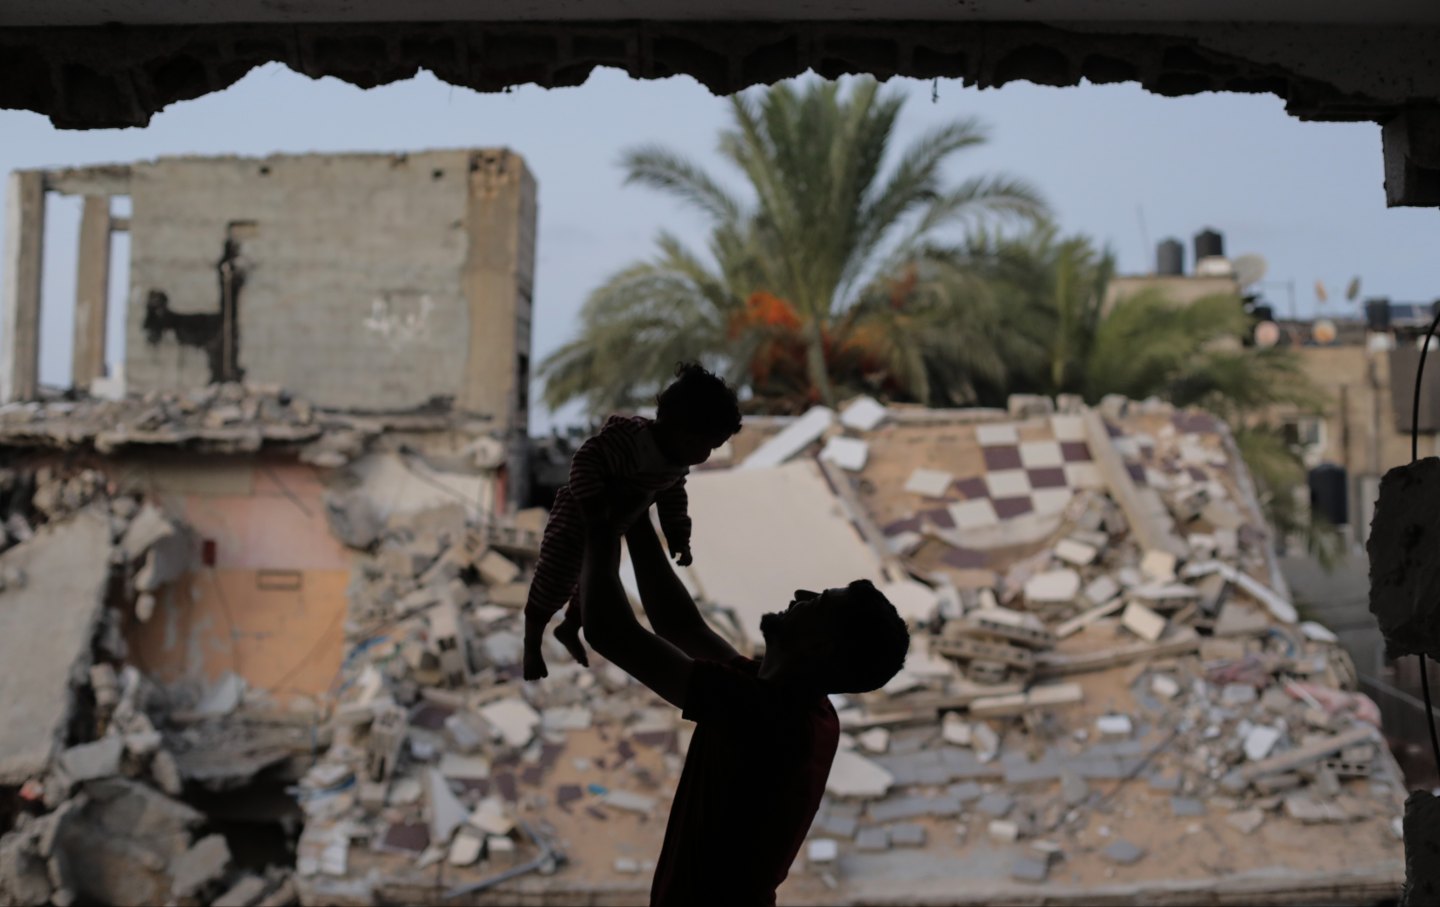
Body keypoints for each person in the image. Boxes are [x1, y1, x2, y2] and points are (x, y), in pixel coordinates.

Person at [577, 494, 911, 907]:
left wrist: (599, 520)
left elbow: (609, 632)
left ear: (820, 647)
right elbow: (680, 626)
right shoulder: (796, 704)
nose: (800, 593)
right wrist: (636, 517)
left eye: (819, 602)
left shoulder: (769, 717)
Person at [523, 363, 743, 681]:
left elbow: (672, 502)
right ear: (679, 429)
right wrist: (595, 509)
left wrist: (679, 537)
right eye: (706, 445)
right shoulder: (631, 441)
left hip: (615, 527)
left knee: (594, 584)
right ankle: (532, 645)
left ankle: (570, 627)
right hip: (578, 519)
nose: (706, 456)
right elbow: (585, 459)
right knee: (553, 580)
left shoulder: (674, 464)